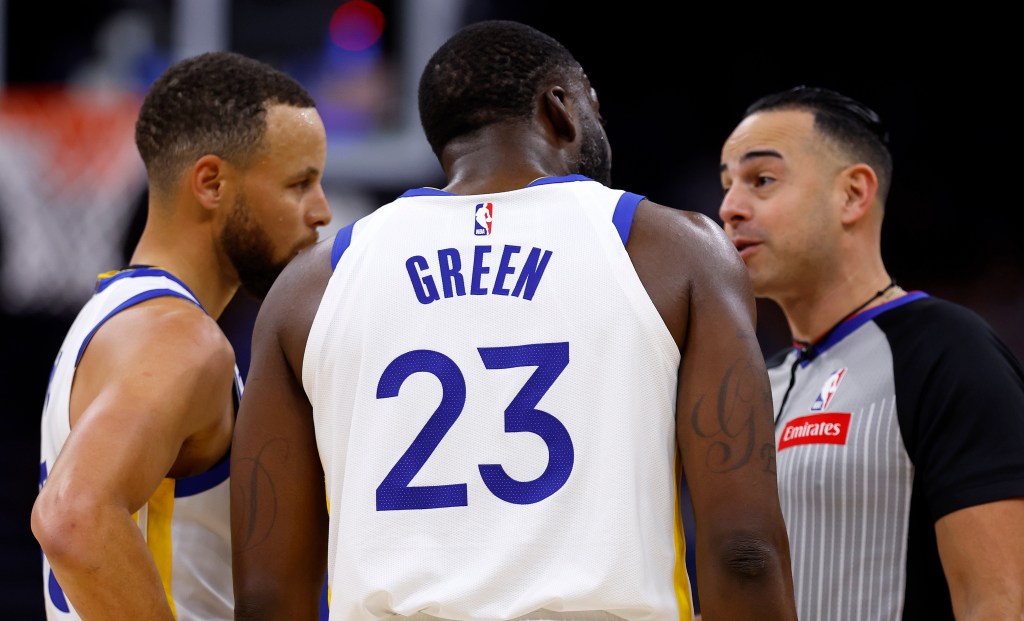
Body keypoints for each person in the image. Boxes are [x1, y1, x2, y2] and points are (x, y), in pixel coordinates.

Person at [230, 19, 797, 621]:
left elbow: (267, 597)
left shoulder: (310, 287)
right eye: (593, 109)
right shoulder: (678, 250)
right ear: (560, 110)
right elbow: (743, 549)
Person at [31, 50, 332, 620]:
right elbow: (71, 517)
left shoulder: (116, 318)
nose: (321, 211)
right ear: (212, 183)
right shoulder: (179, 341)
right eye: (300, 184)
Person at [718, 85, 1024, 620]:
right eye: (726, 184)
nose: (729, 208)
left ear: (854, 194)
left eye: (761, 180)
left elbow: (1000, 603)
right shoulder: (758, 381)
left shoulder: (949, 350)